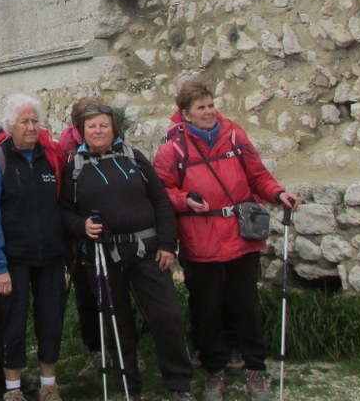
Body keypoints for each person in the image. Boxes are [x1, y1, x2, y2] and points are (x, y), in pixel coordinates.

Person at [154, 78, 301, 401]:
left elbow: (257, 175)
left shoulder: (234, 136)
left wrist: (278, 193)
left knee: (246, 302)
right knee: (206, 307)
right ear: (185, 114)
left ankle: (254, 368)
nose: (209, 112)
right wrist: (184, 201)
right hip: (199, 239)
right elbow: (161, 191)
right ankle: (214, 370)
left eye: (210, 105)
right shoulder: (172, 149)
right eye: (201, 108)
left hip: (239, 235)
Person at [61, 102, 195, 401]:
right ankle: (128, 387)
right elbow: (65, 212)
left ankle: (178, 384)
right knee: (116, 323)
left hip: (147, 251)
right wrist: (81, 225)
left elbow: (160, 201)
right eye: (92, 126)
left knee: (167, 316)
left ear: (114, 129)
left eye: (103, 125)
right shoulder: (75, 168)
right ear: (82, 131)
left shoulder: (134, 157)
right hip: (103, 256)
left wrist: (166, 245)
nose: (98, 130)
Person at [0, 93, 67, 401]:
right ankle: (13, 389)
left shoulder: (50, 157)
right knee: (13, 324)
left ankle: (48, 383)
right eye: (24, 121)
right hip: (13, 261)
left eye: (35, 121)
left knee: (50, 320)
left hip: (51, 256)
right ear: (9, 125)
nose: (31, 127)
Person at [57, 96, 109, 382]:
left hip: (111, 232)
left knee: (117, 294)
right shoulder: (65, 151)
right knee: (87, 295)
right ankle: (96, 351)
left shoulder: (115, 145)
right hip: (78, 234)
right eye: (89, 121)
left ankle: (124, 348)